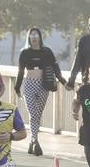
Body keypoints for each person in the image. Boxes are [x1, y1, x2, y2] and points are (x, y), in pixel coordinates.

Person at [14, 26, 60, 156]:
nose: (34, 37)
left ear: (40, 37)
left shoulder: (47, 52)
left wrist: (62, 81)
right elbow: (20, 71)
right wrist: (17, 87)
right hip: (29, 84)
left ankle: (32, 142)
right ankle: (35, 141)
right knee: (33, 113)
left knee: (38, 114)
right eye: (31, 34)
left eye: (36, 34)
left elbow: (55, 67)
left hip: (43, 84)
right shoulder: (24, 52)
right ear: (29, 37)